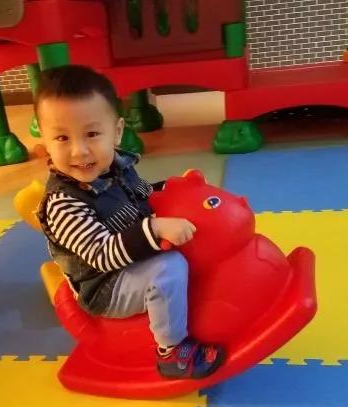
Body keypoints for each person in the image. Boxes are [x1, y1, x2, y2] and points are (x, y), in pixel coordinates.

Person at [34, 65, 225, 379]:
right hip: (105, 285)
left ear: (117, 131)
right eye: (62, 138)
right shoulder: (63, 204)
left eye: (92, 134)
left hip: (132, 257)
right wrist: (156, 228)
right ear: (44, 140)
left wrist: (178, 189)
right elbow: (101, 254)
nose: (79, 151)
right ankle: (173, 351)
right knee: (169, 268)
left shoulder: (116, 166)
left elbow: (144, 194)